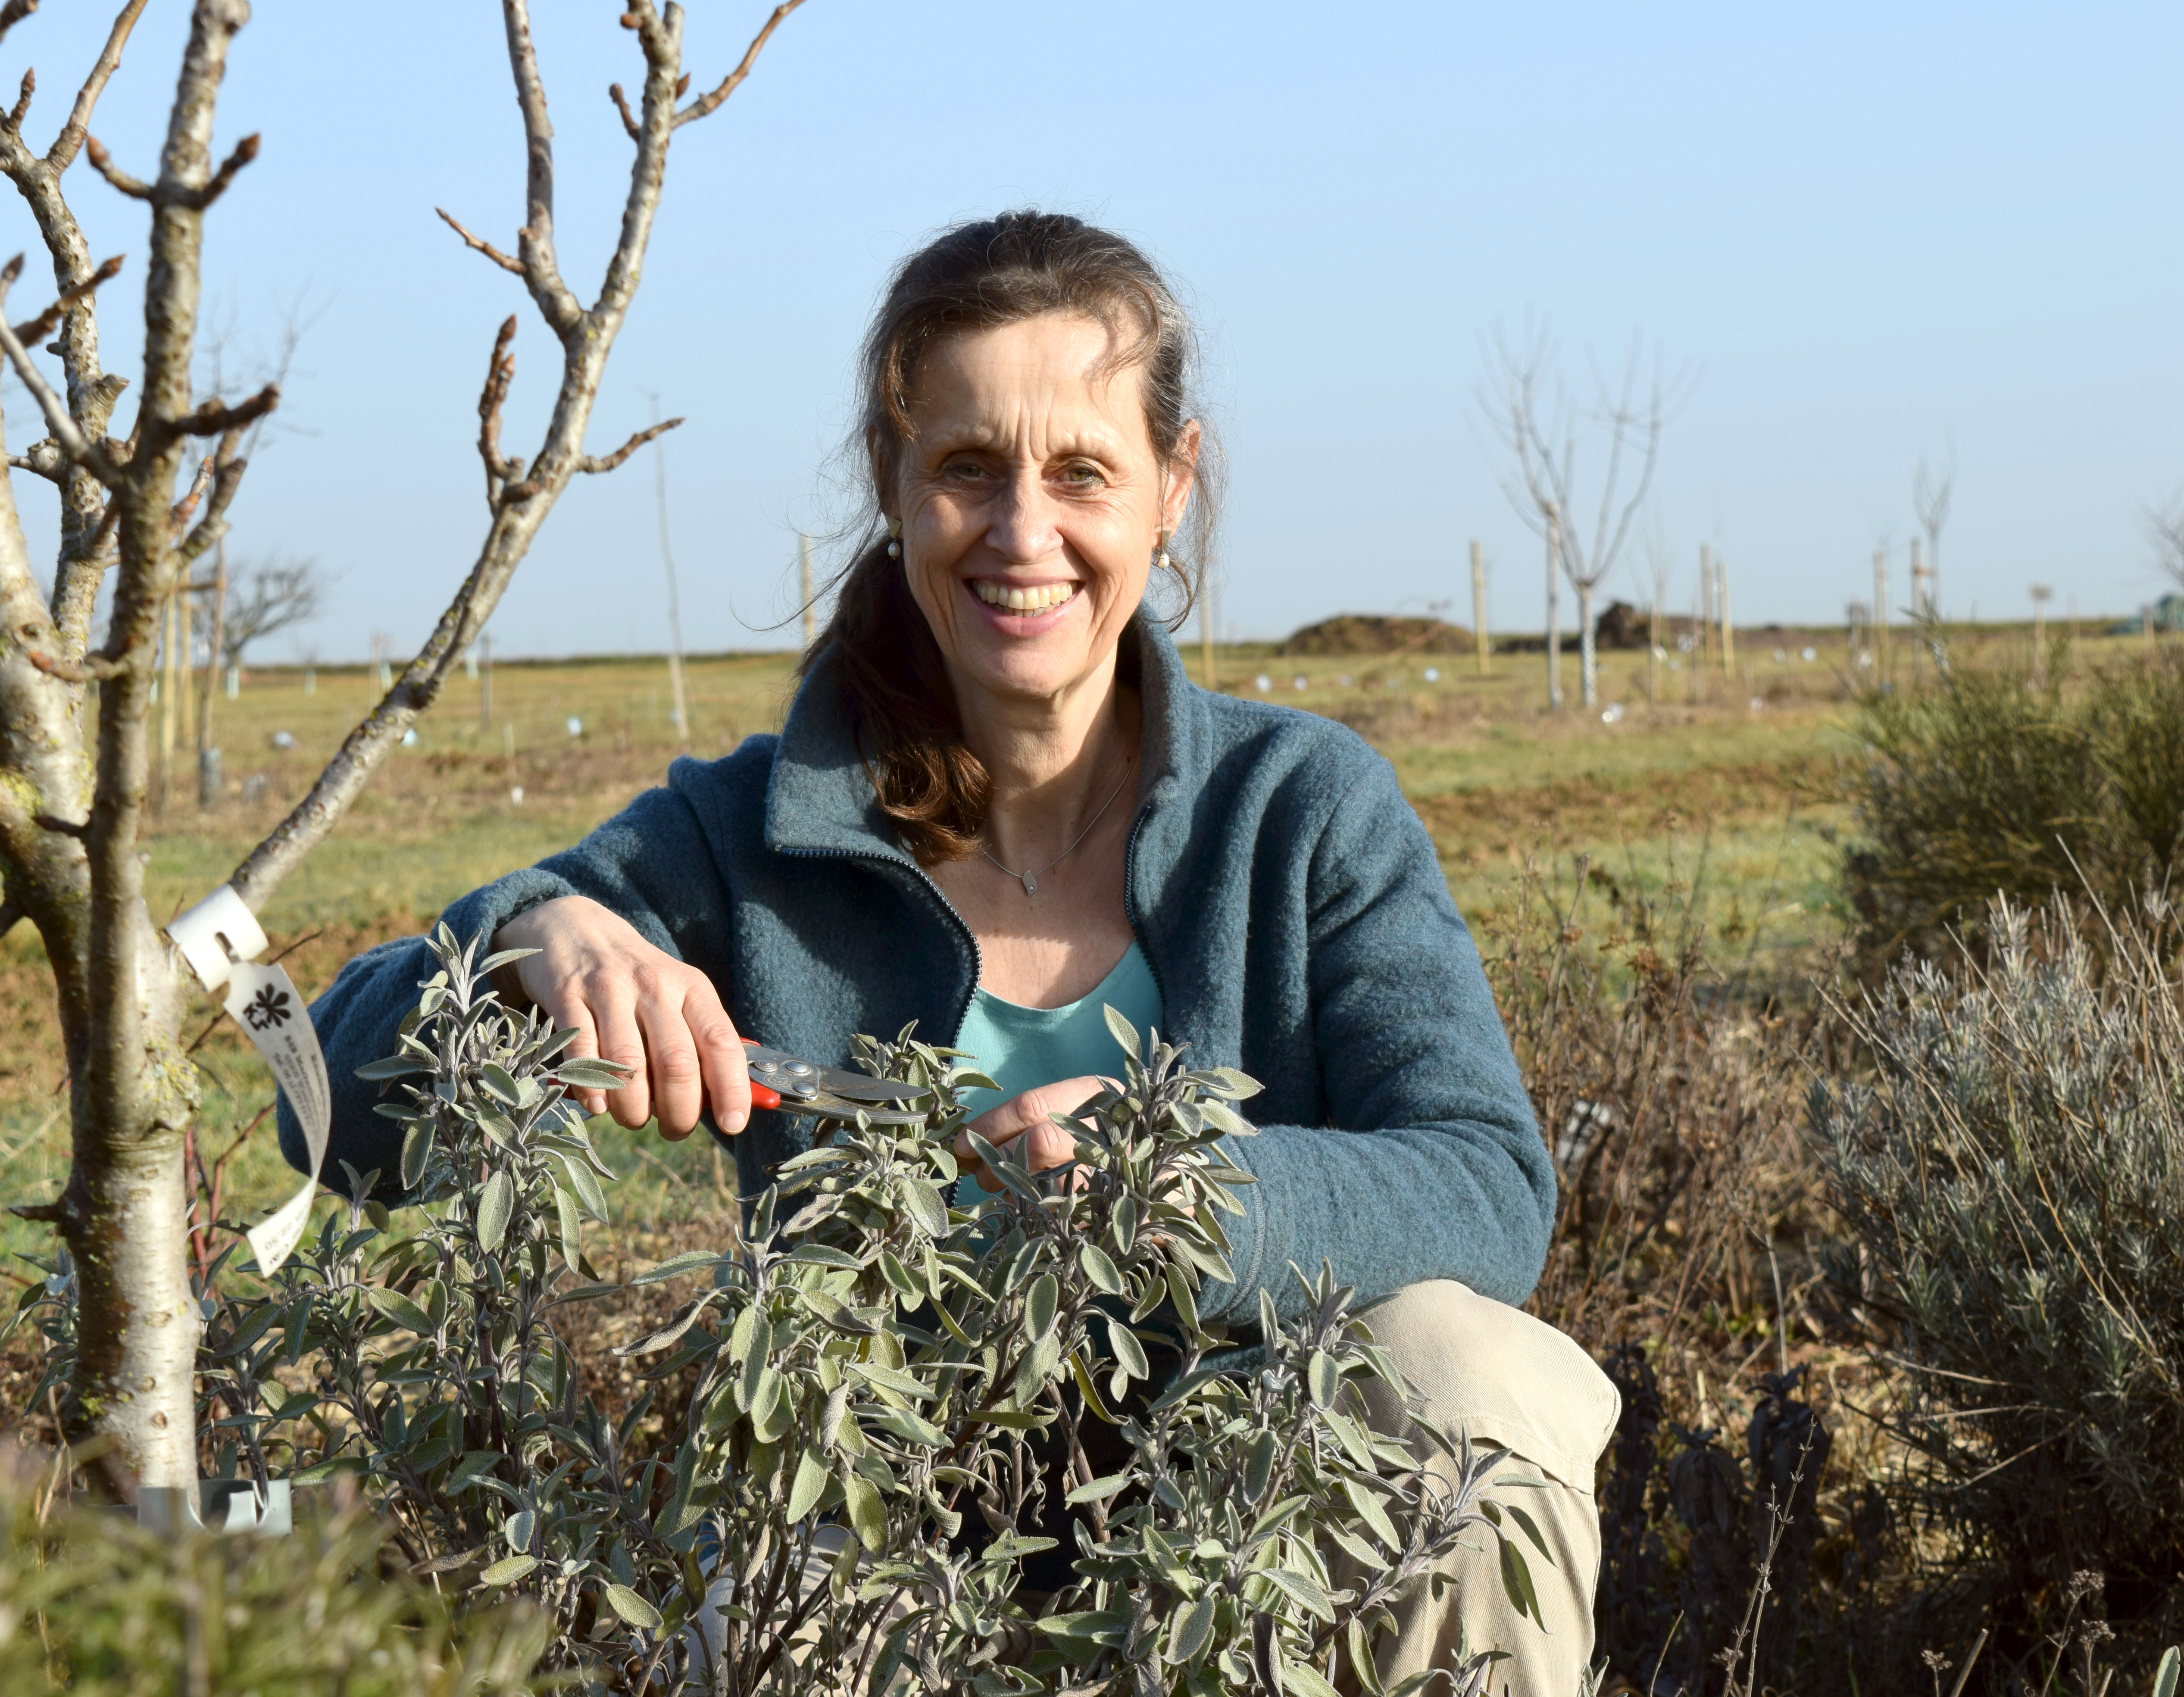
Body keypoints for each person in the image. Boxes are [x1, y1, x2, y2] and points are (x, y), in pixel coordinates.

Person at [285, 210, 1618, 1693]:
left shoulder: (1300, 811)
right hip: (875, 1552)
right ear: (893, 483)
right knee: (761, 1590)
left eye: (1083, 473)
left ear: (1173, 488)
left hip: (1263, 1546)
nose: (1022, 533)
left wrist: (1186, 1186)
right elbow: (319, 1110)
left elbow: (1487, 1185)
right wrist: (529, 938)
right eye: (968, 468)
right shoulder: (749, 835)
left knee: (1468, 1375)